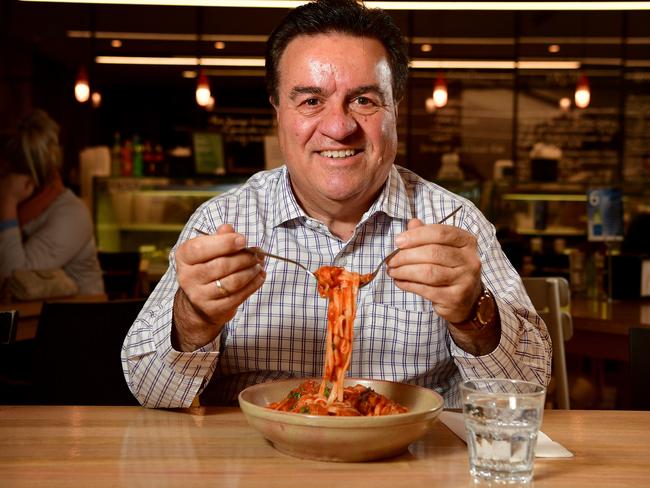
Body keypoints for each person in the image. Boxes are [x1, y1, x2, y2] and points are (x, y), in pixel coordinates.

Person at [122, 0, 551, 408]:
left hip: (413, 461)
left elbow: (528, 388)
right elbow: (151, 390)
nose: (339, 127)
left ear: (394, 110)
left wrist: (472, 314)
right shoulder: (223, 221)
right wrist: (194, 317)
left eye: (364, 100)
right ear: (278, 111)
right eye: (311, 101)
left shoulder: (454, 221)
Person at [0, 110, 104, 296]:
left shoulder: (71, 213)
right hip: (34, 320)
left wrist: (7, 202)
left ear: (27, 179)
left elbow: (13, 278)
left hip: (79, 321)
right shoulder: (21, 205)